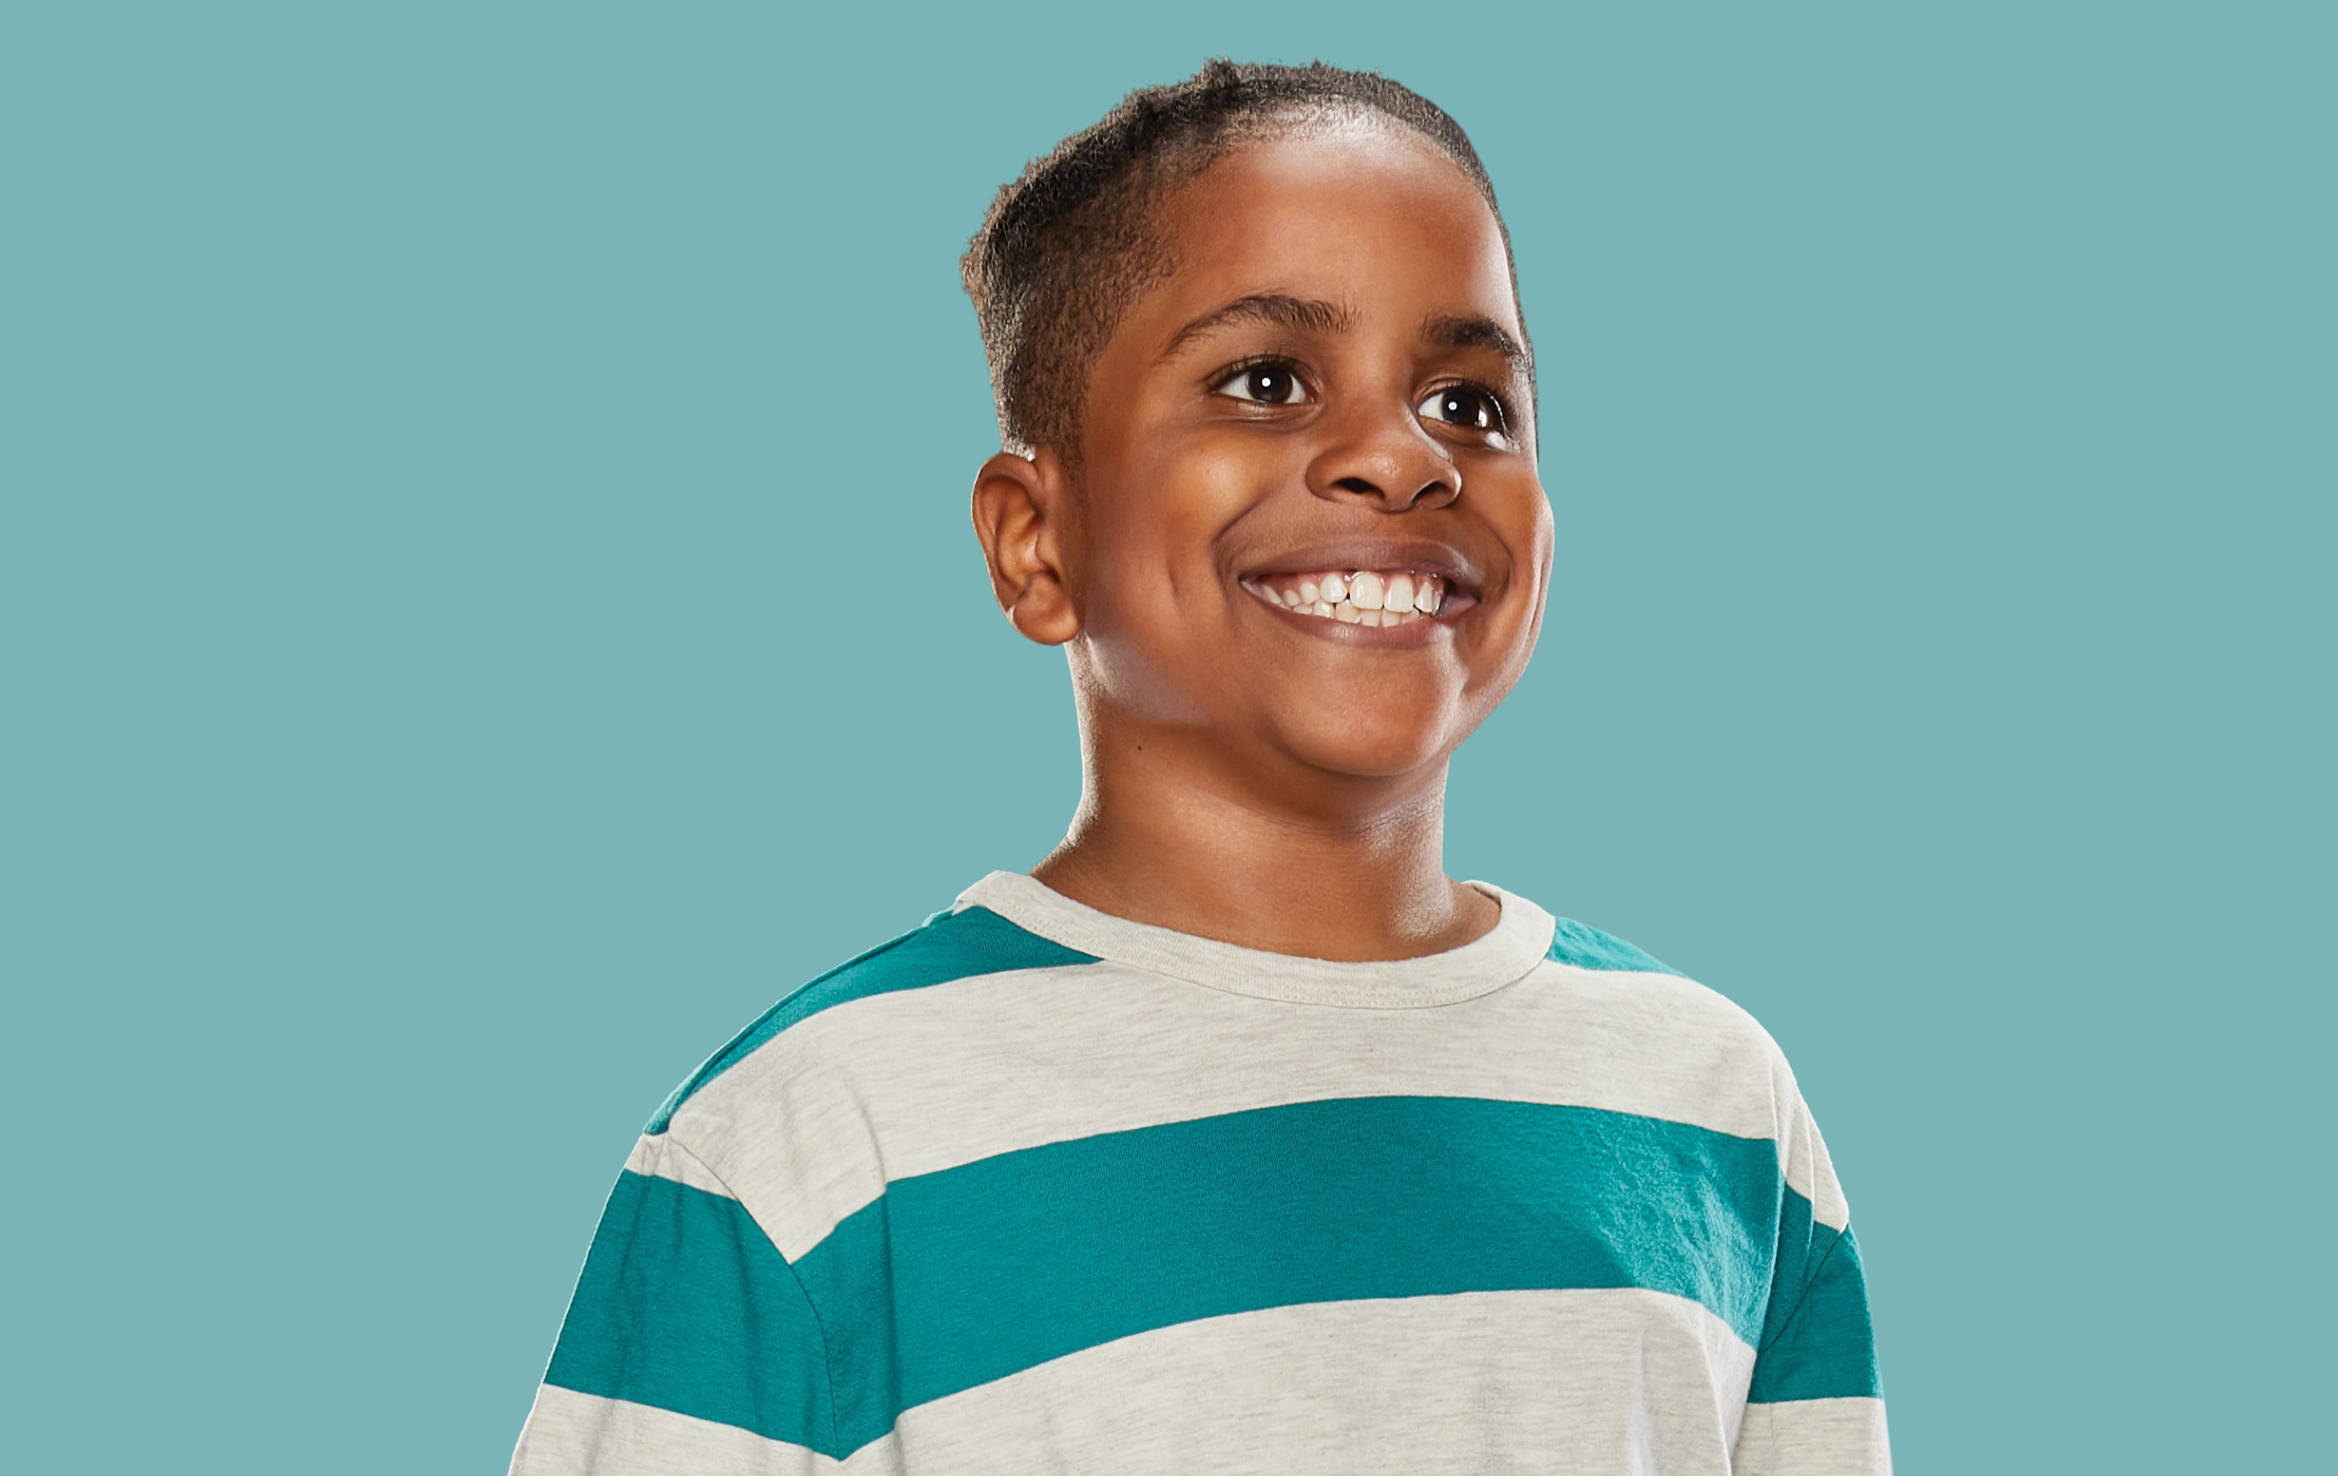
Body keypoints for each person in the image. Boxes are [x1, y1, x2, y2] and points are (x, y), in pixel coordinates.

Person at [505, 57, 1887, 1475]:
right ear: (1036, 543)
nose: (1401, 459)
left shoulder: (1716, 1106)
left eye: (1470, 401)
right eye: (1269, 381)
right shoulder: (809, 1142)